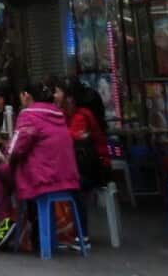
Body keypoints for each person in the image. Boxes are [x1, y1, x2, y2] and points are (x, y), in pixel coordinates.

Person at [0, 79, 82, 250]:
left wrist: (6, 154)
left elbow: (16, 148)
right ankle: (27, 228)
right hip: (66, 178)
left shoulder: (28, 114)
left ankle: (5, 224)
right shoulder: (58, 113)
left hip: (41, 179)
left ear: (26, 96)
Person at [65, 80, 111, 244]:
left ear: (71, 98)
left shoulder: (81, 117)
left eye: (58, 92)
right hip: (88, 166)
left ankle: (82, 235)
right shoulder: (74, 115)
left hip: (95, 169)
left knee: (73, 186)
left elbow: (70, 140)